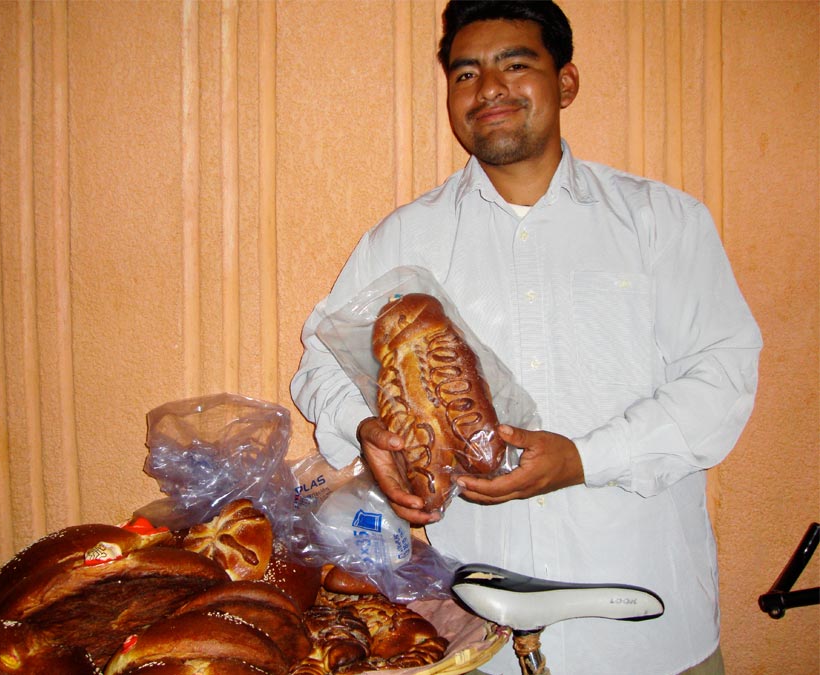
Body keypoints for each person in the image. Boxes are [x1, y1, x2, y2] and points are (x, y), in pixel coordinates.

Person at [290, 1, 762, 673]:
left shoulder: (661, 222)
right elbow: (323, 362)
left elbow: (723, 381)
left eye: (516, 65)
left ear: (565, 83)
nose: (488, 90)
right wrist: (368, 428)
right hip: (478, 642)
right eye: (466, 73)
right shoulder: (404, 240)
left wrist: (585, 458)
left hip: (650, 629)